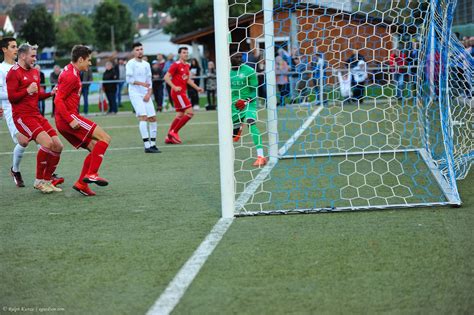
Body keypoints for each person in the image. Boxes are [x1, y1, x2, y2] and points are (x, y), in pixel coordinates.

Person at [55, 45, 112, 196]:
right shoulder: (71, 76)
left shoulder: (70, 71)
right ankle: (92, 174)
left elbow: (60, 92)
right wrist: (70, 119)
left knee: (94, 148)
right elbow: (58, 100)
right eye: (89, 60)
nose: (90, 63)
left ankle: (81, 184)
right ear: (80, 59)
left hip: (64, 120)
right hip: (69, 118)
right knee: (105, 138)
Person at [6, 43, 63, 193]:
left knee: (58, 145)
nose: (35, 59)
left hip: (36, 114)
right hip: (22, 117)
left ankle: (47, 180)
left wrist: (50, 94)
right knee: (47, 143)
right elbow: (12, 98)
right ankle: (39, 181)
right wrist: (27, 90)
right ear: (23, 55)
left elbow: (36, 95)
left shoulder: (35, 73)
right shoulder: (13, 73)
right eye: (32, 56)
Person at [230, 53, 267, 167]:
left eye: (241, 57)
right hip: (233, 105)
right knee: (234, 137)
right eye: (237, 57)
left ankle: (261, 156)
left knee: (251, 123)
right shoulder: (225, 72)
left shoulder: (249, 71)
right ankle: (238, 127)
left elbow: (253, 91)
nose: (240, 59)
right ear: (229, 58)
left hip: (248, 103)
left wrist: (246, 101)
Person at [164, 47, 204, 144]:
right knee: (190, 113)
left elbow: (187, 80)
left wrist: (197, 87)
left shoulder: (187, 65)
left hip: (181, 93)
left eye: (187, 52)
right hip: (178, 93)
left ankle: (168, 136)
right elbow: (166, 77)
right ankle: (174, 132)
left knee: (180, 114)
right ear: (179, 54)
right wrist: (174, 87)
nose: (186, 54)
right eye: (184, 52)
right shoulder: (176, 65)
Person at [126, 42, 160, 153]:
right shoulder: (130, 63)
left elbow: (149, 81)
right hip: (135, 94)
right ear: (133, 51)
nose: (140, 51)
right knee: (143, 117)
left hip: (146, 94)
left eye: (141, 49)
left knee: (153, 118)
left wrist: (149, 93)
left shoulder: (146, 64)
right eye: (137, 49)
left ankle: (153, 144)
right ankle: (147, 146)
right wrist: (142, 84)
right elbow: (129, 80)